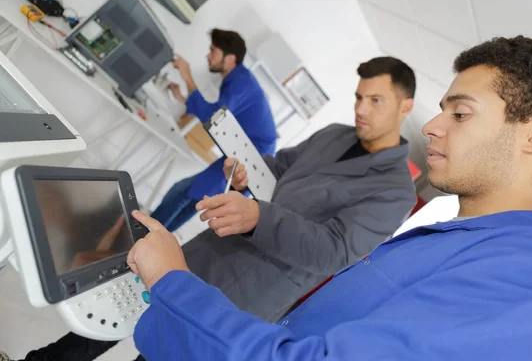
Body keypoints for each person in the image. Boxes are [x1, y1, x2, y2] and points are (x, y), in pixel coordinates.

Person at [128, 36, 532, 360]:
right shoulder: (458, 238)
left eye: (460, 113)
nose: (435, 127)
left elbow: (331, 257)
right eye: (443, 110)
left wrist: (172, 281)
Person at [15, 56, 418, 361]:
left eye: (376, 100)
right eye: (359, 97)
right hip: (209, 249)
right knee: (112, 316)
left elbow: (333, 251)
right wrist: (246, 173)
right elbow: (279, 169)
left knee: (158, 352)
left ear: (405, 107)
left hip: (246, 289)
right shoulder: (334, 135)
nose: (362, 109)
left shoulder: (394, 191)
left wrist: (261, 216)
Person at [152, 28, 277, 231]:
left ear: (229, 58)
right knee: (191, 197)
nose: (208, 56)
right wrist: (184, 98)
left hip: (251, 157)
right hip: (244, 152)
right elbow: (219, 115)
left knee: (183, 192)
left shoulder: (241, 82)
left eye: (213, 51)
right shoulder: (237, 79)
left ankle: (141, 237)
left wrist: (188, 76)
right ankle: (148, 238)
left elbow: (214, 118)